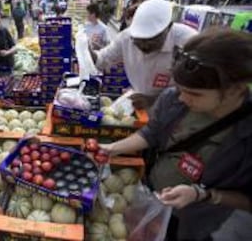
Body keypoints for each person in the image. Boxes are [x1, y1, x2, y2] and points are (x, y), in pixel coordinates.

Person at [100, 28, 252, 241]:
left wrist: (203, 194)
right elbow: (151, 133)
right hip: (150, 195)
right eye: (180, 89)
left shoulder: (246, 132)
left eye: (194, 94)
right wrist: (110, 149)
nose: (182, 98)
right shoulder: (173, 99)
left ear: (235, 89)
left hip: (194, 221)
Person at [89, 0, 198, 109]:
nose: (144, 46)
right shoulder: (126, 38)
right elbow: (101, 60)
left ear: (169, 27)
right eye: (139, 41)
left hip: (177, 109)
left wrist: (153, 100)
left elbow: (196, 92)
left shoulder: (188, 43)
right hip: (140, 103)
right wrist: (86, 50)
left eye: (151, 40)